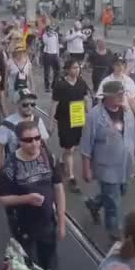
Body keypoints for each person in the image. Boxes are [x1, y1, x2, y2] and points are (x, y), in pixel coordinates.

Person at [0, 120, 66, 270]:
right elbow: (1, 198)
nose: (34, 143)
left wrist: (61, 222)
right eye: (28, 140)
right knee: (30, 267)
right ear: (19, 142)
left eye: (37, 138)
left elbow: (58, 187)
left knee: (50, 265)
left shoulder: (48, 157)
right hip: (23, 227)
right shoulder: (10, 166)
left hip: (47, 223)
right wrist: (26, 199)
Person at [82, 81, 135, 241]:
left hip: (125, 164)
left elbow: (134, 135)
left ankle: (95, 203)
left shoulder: (127, 112)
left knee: (119, 192)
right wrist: (86, 168)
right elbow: (86, 143)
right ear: (107, 96)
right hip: (106, 166)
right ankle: (114, 231)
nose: (121, 97)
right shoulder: (94, 116)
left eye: (122, 94)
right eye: (118, 94)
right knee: (113, 201)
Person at [50, 58, 89, 193]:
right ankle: (71, 177)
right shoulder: (60, 85)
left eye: (78, 68)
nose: (76, 70)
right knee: (70, 149)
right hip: (64, 119)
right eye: (74, 68)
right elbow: (54, 104)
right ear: (67, 69)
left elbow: (85, 99)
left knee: (72, 146)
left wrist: (89, 115)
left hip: (77, 118)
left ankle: (61, 159)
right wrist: (51, 123)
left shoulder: (81, 82)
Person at [0, 89, 50, 169]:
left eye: (32, 104)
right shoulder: (7, 124)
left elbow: (44, 145)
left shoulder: (38, 121)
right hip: (15, 169)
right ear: (17, 104)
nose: (29, 107)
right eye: (25, 104)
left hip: (36, 168)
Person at [95, 55, 135, 122]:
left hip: (126, 116)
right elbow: (100, 99)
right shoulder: (107, 81)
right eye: (118, 65)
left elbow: (132, 100)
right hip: (110, 114)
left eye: (122, 64)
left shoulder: (128, 81)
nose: (120, 67)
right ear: (113, 66)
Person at [40, 24, 61, 91]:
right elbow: (46, 42)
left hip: (55, 54)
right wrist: (48, 34)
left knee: (57, 70)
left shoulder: (56, 34)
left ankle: (54, 84)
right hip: (47, 54)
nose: (51, 30)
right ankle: (47, 86)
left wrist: (58, 53)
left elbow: (57, 44)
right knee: (47, 71)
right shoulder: (45, 35)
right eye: (50, 29)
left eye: (52, 29)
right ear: (47, 29)